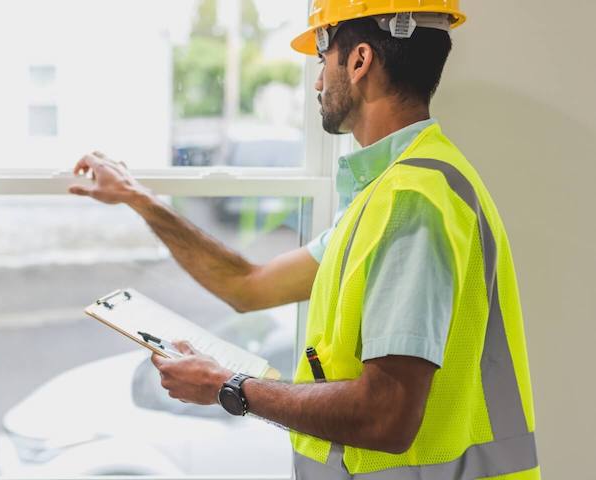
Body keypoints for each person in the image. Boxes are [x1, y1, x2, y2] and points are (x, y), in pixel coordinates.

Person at [68, 1, 539, 478]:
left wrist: (229, 386)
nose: (317, 81)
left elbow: (386, 414)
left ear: (358, 61)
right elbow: (248, 286)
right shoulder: (389, 194)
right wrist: (138, 197)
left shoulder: (412, 201)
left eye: (322, 58)